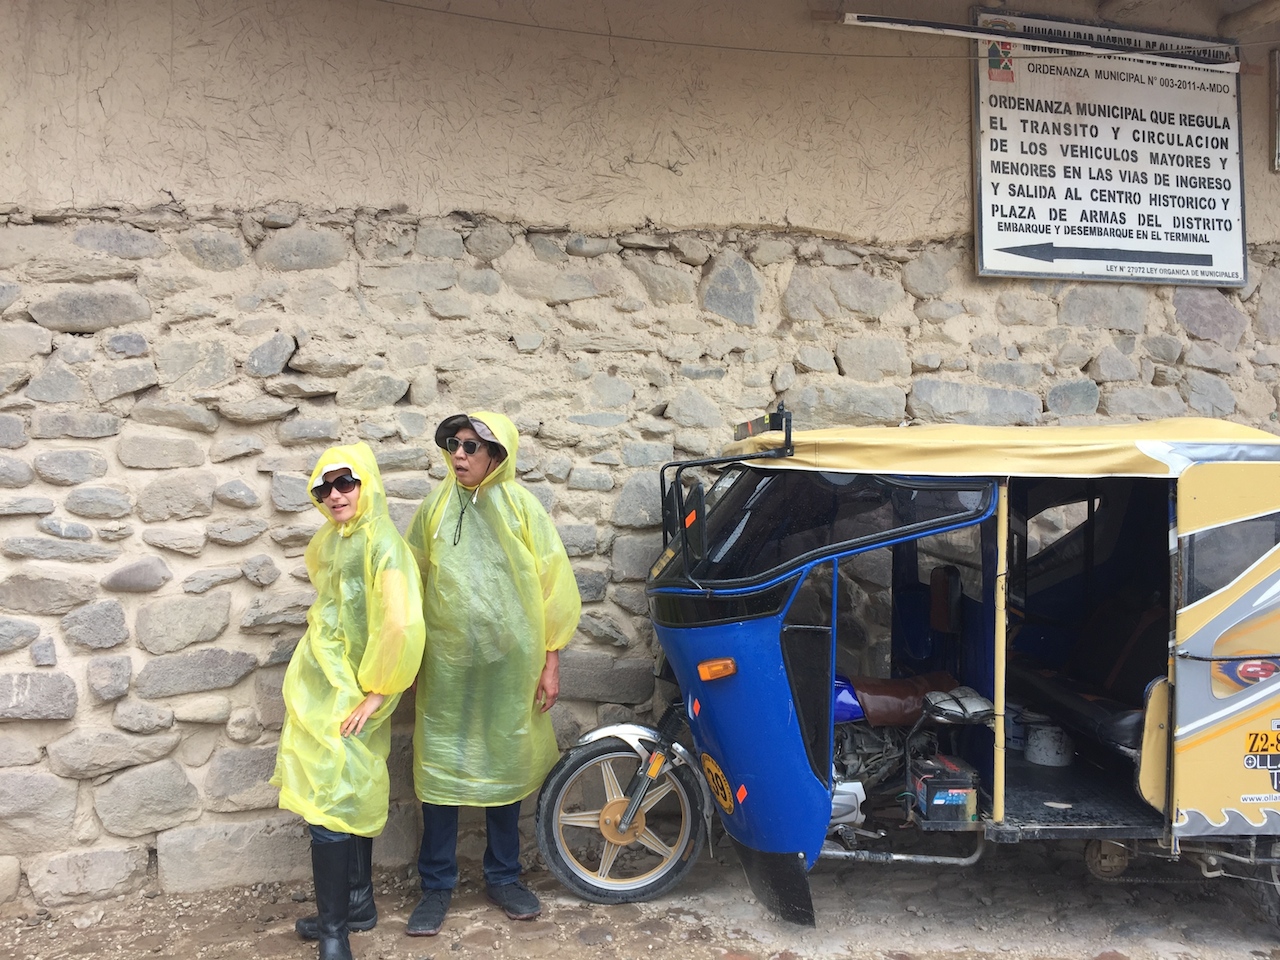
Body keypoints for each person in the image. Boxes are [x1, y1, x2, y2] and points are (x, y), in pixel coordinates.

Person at [404, 412, 581, 937]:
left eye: (471, 447)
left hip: (511, 668)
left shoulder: (523, 508)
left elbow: (554, 583)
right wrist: (408, 656)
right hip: (447, 668)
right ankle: (436, 886)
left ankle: (503, 876)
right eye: (453, 445)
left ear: (497, 456)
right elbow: (412, 580)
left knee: (505, 764)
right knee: (440, 772)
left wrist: (550, 660)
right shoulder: (433, 508)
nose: (458, 455)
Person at [271, 443, 426, 960]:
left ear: (367, 485)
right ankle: (356, 905)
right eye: (324, 487)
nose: (335, 495)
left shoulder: (383, 544)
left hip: (355, 694)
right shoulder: (333, 539)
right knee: (345, 798)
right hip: (325, 687)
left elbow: (402, 622)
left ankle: (336, 932)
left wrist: (378, 692)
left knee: (332, 800)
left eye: (346, 483)